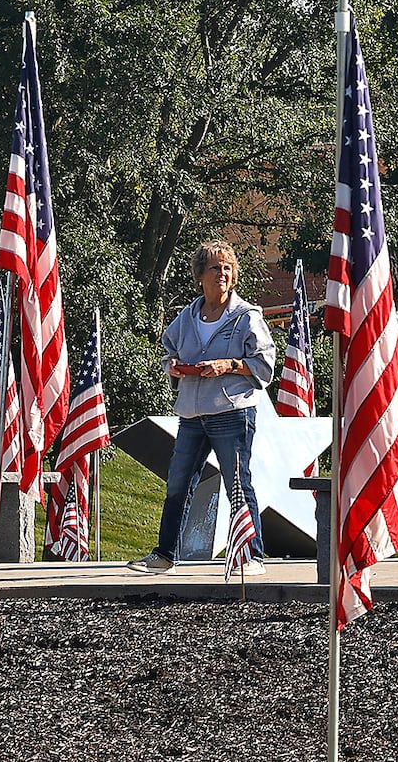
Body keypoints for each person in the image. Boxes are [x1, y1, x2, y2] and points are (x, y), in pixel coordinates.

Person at [128, 240, 277, 575]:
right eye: (214, 267)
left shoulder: (247, 316)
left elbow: (266, 363)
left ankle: (251, 557)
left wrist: (231, 365)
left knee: (238, 483)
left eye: (227, 267)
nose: (222, 273)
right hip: (192, 415)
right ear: (200, 275)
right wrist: (174, 367)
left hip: (233, 412)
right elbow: (169, 352)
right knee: (178, 484)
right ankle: (165, 556)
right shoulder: (186, 316)